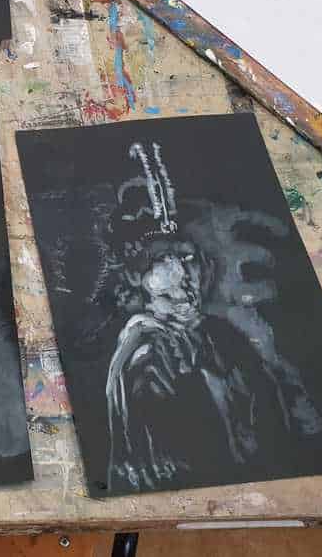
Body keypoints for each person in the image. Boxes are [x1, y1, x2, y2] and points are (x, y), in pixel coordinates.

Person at [100, 143, 301, 494]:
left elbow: (271, 416)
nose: (181, 273)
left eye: (187, 258)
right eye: (162, 260)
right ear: (137, 277)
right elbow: (172, 456)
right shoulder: (143, 355)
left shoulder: (220, 335)